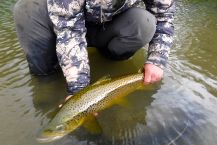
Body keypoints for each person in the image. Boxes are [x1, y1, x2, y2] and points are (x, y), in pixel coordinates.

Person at [13, 0, 175, 95]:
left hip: (110, 25)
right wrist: (78, 89)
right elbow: (69, 31)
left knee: (144, 22)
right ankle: (46, 81)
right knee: (26, 7)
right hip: (65, 23)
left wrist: (157, 60)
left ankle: (111, 56)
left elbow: (164, 15)